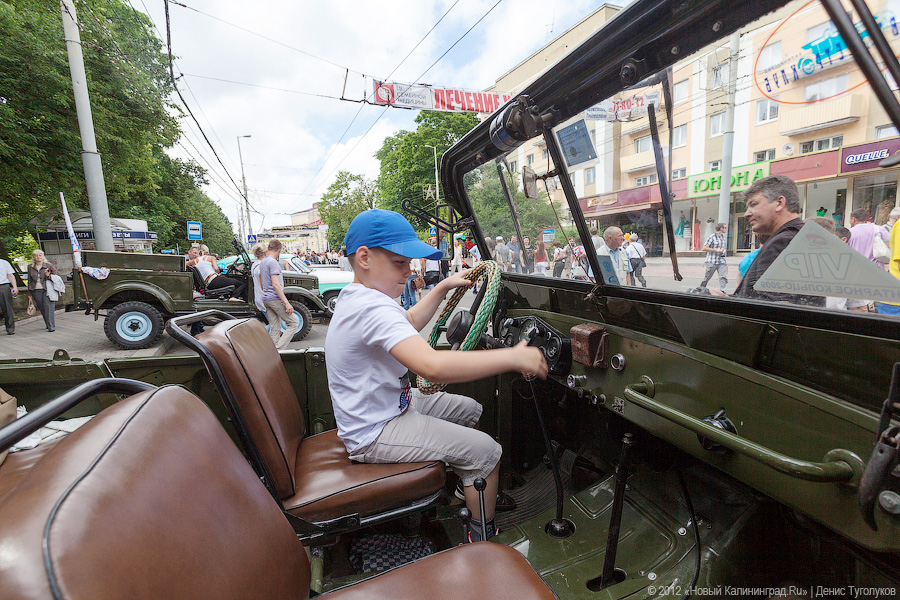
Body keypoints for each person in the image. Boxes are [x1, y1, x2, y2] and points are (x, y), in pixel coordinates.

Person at [325, 209, 548, 542]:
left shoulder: (360, 297)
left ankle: (468, 486)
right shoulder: (372, 307)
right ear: (365, 258)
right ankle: (480, 535)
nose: (409, 272)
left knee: (470, 410)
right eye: (400, 263)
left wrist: (443, 286)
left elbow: (409, 322)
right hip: (374, 431)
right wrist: (513, 356)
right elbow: (431, 366)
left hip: (385, 406)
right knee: (487, 453)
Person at [731, 175, 824, 306]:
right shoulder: (804, 236)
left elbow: (764, 308)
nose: (747, 213)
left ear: (779, 203)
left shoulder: (783, 243)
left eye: (753, 204)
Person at [259, 239, 299, 350]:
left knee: (275, 327)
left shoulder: (263, 262)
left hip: (266, 298)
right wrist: (286, 303)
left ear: (268, 248)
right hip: (274, 298)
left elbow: (261, 281)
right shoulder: (273, 263)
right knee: (293, 324)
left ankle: (273, 351)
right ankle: (279, 349)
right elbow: (276, 284)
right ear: (280, 250)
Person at [27, 250, 55, 332]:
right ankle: (48, 324)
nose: (38, 257)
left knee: (48, 307)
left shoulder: (49, 265)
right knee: (42, 308)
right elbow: (29, 280)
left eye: (40, 255)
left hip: (47, 289)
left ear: (43, 256)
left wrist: (48, 276)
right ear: (33, 257)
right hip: (35, 290)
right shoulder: (30, 267)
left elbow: (56, 277)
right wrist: (29, 293)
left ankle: (51, 326)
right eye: (36, 255)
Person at [699, 223, 728, 293]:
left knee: (723, 276)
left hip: (722, 260)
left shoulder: (723, 237)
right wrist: (716, 250)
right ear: (721, 228)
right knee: (707, 277)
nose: (726, 229)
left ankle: (723, 291)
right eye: (725, 227)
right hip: (712, 260)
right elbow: (704, 248)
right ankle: (701, 289)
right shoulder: (712, 237)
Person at [0, 258, 18, 335]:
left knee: (7, 308)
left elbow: (10, 275)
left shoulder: (4, 263)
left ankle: (10, 328)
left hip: (3, 286)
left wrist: (15, 287)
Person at [250, 244, 267, 314]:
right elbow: (263, 284)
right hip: (264, 299)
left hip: (258, 297)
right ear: (265, 252)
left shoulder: (254, 264)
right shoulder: (262, 265)